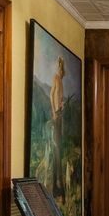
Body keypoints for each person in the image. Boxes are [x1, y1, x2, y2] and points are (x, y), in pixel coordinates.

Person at [49, 56, 65, 199]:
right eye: (59, 66)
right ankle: (56, 185)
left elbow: (59, 97)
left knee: (60, 148)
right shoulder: (55, 78)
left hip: (60, 114)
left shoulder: (61, 80)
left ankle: (59, 185)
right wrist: (54, 112)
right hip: (56, 115)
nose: (60, 69)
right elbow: (51, 95)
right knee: (56, 149)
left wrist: (61, 104)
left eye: (62, 67)